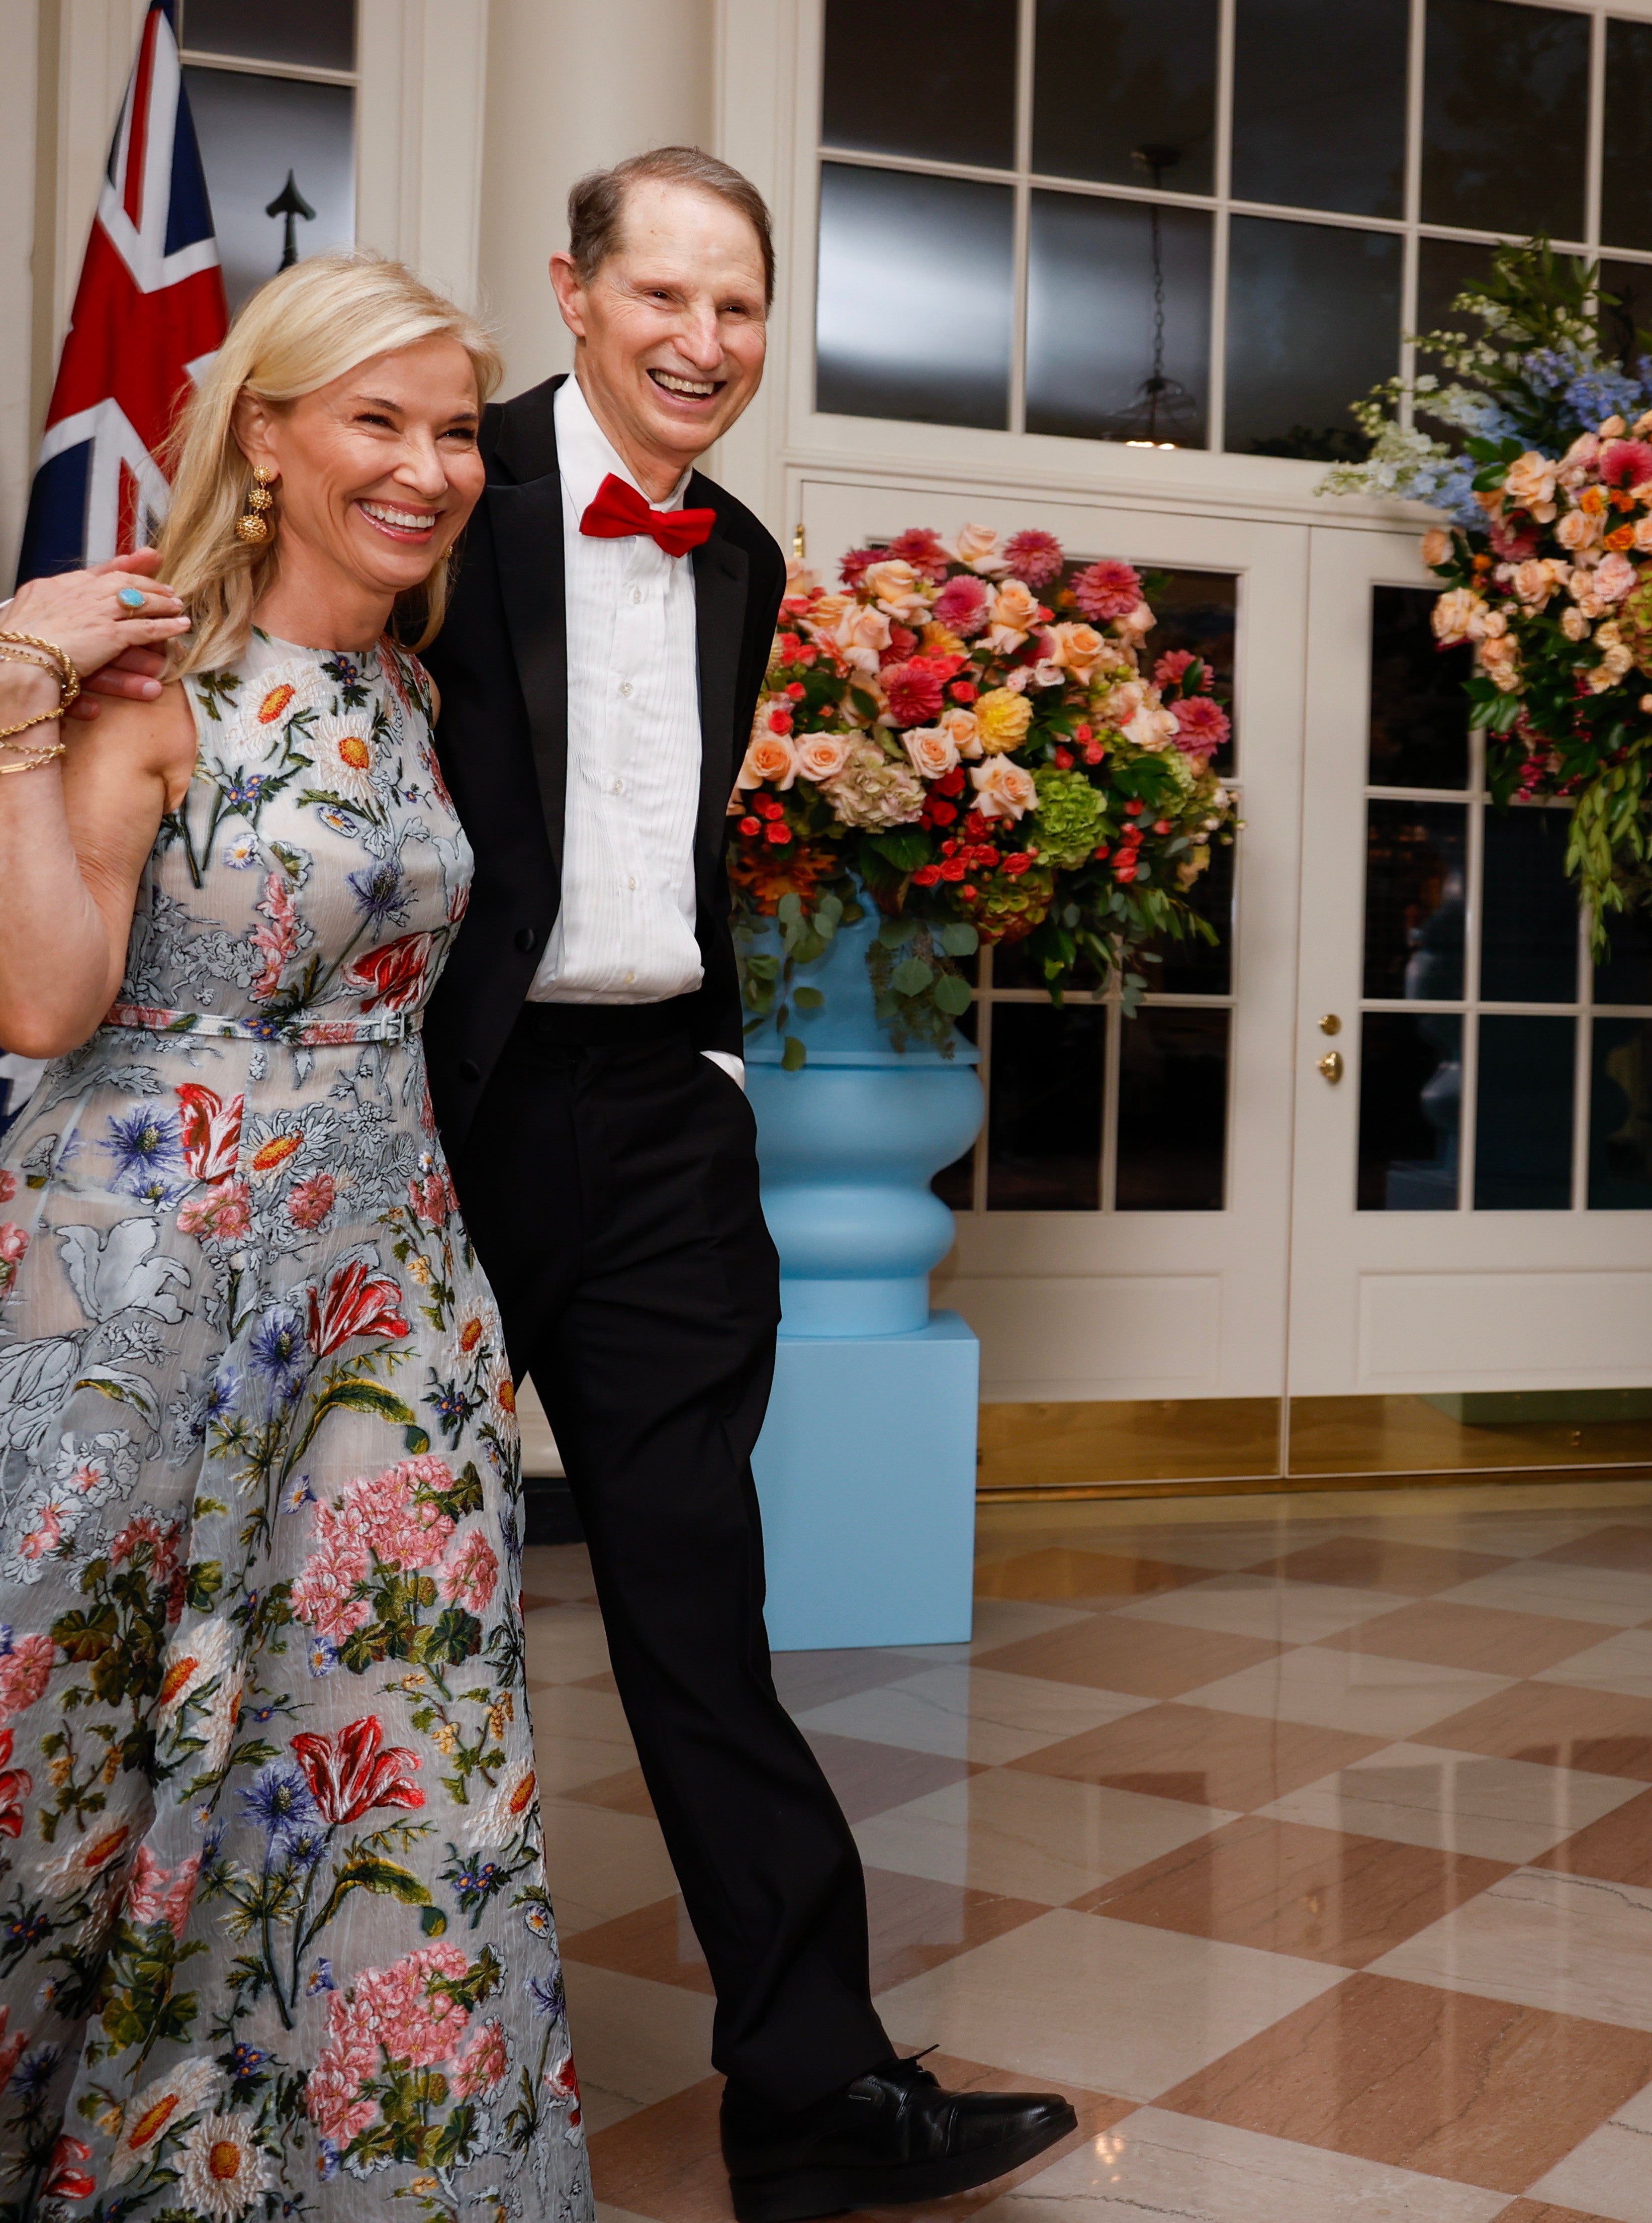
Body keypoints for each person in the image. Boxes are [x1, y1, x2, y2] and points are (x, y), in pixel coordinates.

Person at [0, 254, 590, 2214]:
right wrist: (3, 705)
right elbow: (45, 1002)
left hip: (381, 1291)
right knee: (40, 1734)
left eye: (455, 428)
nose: (426, 467)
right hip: (149, 1278)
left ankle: (352, 2166)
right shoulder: (152, 679)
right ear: (270, 433)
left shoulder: (404, 686)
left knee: (384, 1733)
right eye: (376, 420)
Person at [415, 150, 1075, 2220]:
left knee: (702, 1602)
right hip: (432, 1119)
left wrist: (703, 1051)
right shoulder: (447, 486)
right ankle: (321, 2062)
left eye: (742, 306)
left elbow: (660, 839)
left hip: (659, 1123)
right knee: (372, 1594)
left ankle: (810, 2088)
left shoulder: (749, 554)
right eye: (665, 297)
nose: (704, 342)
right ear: (577, 290)